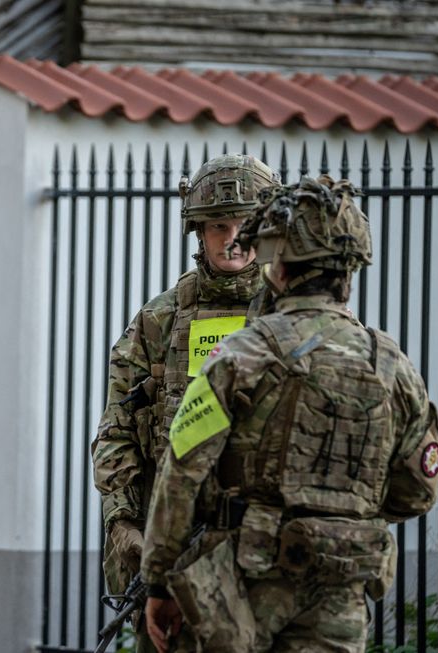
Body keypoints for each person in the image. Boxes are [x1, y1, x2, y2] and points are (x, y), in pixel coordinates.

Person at [141, 176, 438, 652]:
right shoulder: (391, 365)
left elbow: (181, 474)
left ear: (276, 268)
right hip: (341, 590)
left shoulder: (238, 357)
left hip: (243, 588)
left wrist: (159, 581)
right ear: (351, 266)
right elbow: (417, 492)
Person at [91, 154, 279, 651]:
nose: (232, 237)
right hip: (173, 555)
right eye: (218, 224)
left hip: (268, 556)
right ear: (198, 230)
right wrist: (125, 523)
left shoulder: (289, 316)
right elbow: (116, 432)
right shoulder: (161, 320)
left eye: (244, 223)